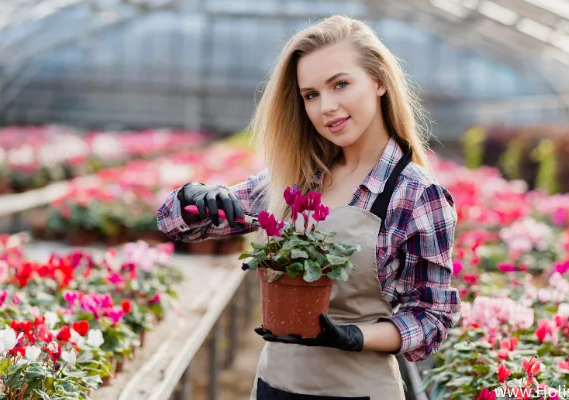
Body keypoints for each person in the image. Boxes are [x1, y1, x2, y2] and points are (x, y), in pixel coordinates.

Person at [157, 15, 460, 399]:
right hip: (274, 386)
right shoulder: (299, 178)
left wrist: (354, 336)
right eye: (311, 94)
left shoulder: (415, 194)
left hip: (357, 392)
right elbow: (174, 226)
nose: (326, 107)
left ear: (380, 80)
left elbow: (432, 317)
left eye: (341, 84)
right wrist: (193, 198)